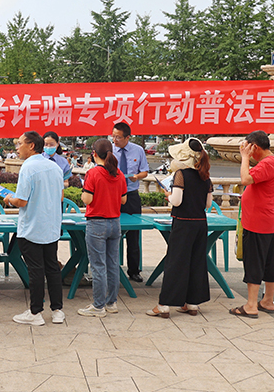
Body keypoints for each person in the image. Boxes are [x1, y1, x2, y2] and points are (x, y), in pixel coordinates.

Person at [146, 138, 213, 318]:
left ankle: (164, 305)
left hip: (183, 223)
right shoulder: (206, 176)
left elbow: (176, 201)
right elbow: (208, 204)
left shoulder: (181, 174)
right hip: (200, 223)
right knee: (196, 262)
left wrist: (168, 194)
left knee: (176, 263)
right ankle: (192, 303)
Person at [4, 131, 65, 326]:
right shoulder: (54, 167)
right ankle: (57, 310)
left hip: (32, 228)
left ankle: (35, 312)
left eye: (20, 143)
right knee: (52, 268)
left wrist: (9, 199)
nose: (17, 148)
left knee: (36, 270)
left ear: (31, 145)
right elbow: (61, 197)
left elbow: (22, 201)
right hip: (51, 227)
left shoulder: (28, 167)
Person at [230, 130, 274, 318]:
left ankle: (251, 305)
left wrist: (245, 158)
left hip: (257, 222)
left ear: (254, 147)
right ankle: (267, 301)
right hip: (270, 220)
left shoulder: (267, 163)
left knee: (254, 262)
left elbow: (245, 179)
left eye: (247, 147)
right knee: (269, 262)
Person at [78, 138, 127, 318]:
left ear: (94, 154)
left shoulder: (93, 173)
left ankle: (98, 306)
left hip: (97, 223)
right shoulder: (118, 173)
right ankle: (111, 302)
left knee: (98, 266)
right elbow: (123, 200)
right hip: (115, 223)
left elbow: (87, 199)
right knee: (113, 264)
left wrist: (84, 193)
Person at [112, 122, 149, 283]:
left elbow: (145, 171)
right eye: (113, 136)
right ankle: (112, 269)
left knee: (134, 235)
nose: (115, 140)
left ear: (127, 137)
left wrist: (137, 177)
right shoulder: (109, 150)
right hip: (113, 196)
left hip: (131, 195)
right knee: (112, 232)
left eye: (118, 137)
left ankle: (134, 270)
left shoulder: (138, 150)